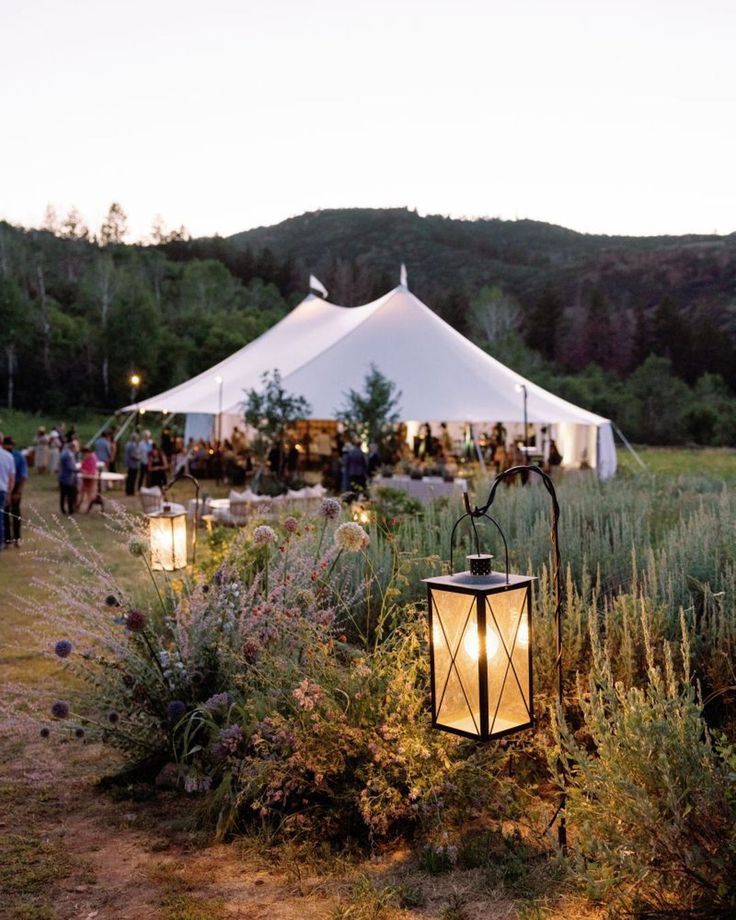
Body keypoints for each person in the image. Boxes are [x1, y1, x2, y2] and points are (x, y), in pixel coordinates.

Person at [3, 437, 27, 546]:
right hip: (4, 485)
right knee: (5, 513)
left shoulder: (19, 456)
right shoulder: (3, 455)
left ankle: (17, 538)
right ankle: (7, 538)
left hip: (16, 486)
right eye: (7, 445)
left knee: (16, 513)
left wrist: (18, 491)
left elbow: (23, 475)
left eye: (11, 445)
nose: (10, 447)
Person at [0, 431, 16, 550]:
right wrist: (9, 493)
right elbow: (12, 477)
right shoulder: (8, 456)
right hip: (2, 489)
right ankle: (1, 542)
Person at [58, 437, 78, 515]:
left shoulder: (66, 453)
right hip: (67, 478)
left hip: (64, 477)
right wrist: (78, 470)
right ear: (72, 447)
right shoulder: (67, 455)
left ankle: (64, 509)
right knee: (70, 495)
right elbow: (70, 467)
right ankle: (70, 510)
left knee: (63, 495)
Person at [78, 446, 99, 512]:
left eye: (85, 453)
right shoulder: (86, 459)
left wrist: (86, 472)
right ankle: (78, 506)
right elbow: (82, 466)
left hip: (90, 479)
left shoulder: (92, 459)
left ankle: (89, 507)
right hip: (85, 478)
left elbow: (92, 471)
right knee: (82, 493)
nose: (84, 455)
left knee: (89, 494)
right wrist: (82, 470)